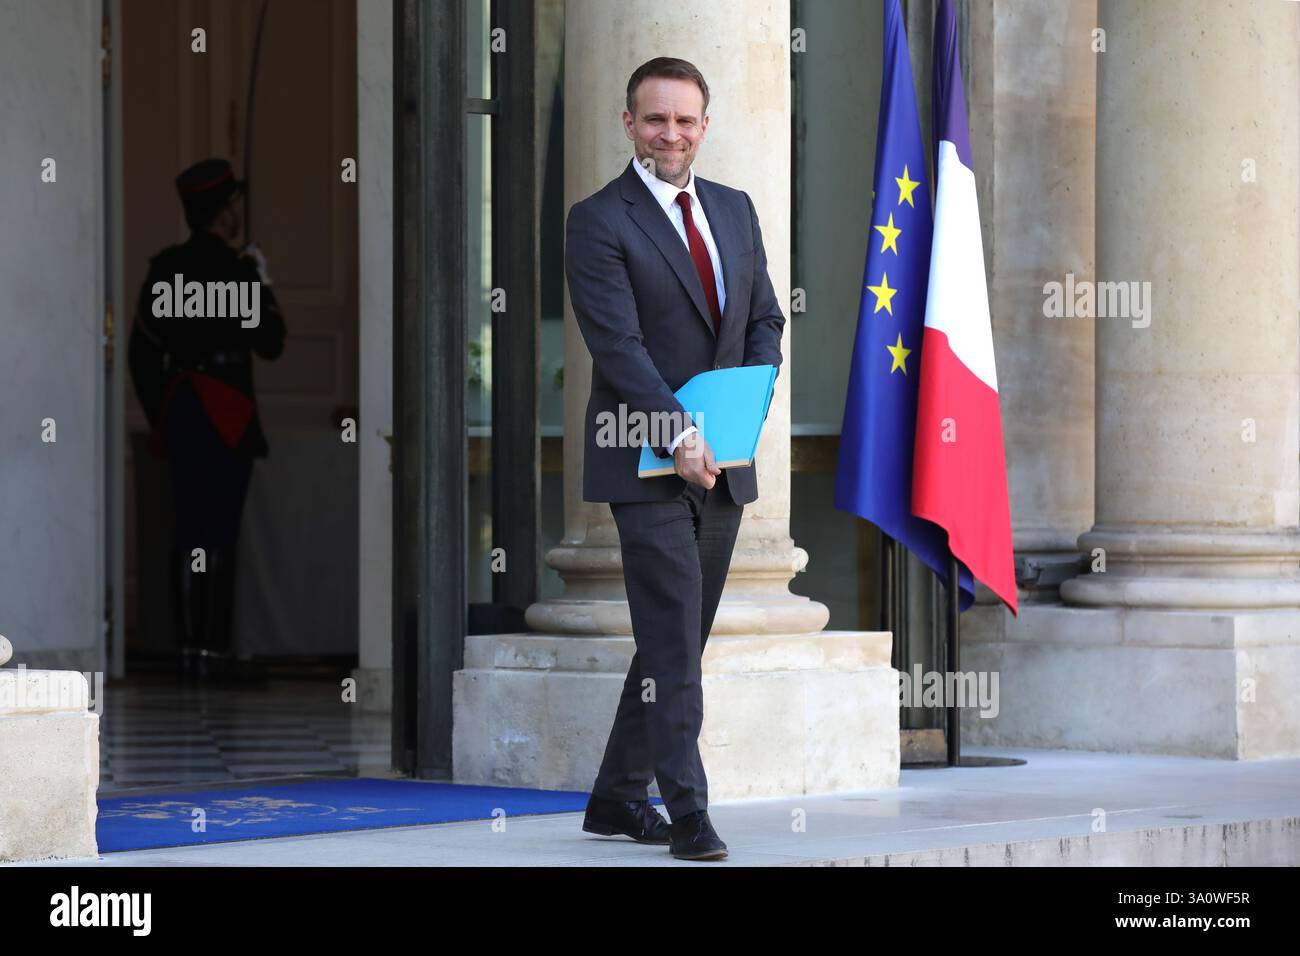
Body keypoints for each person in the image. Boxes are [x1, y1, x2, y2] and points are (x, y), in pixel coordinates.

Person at [566, 57, 785, 860]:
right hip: (644, 457)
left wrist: (742, 412)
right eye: (656, 120)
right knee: (669, 635)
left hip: (721, 461)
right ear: (629, 125)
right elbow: (618, 349)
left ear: (704, 124)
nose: (671, 134)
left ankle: (616, 799)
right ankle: (688, 812)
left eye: (686, 120)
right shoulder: (597, 220)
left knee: (678, 639)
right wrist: (680, 433)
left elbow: (764, 317)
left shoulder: (735, 209)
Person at [128, 158, 286, 683]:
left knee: (188, 533)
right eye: (234, 203)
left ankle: (188, 651)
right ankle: (212, 653)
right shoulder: (238, 270)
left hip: (185, 412)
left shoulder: (165, 269)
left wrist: (165, 410)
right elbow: (272, 343)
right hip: (229, 413)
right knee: (218, 534)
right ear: (222, 211)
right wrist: (262, 281)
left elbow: (141, 354)